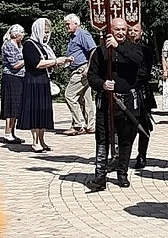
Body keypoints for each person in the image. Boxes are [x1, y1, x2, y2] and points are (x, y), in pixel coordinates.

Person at [84, 16, 146, 192]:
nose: (120, 32)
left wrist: (119, 48)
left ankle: (122, 173)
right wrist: (102, 84)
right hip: (107, 101)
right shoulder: (101, 52)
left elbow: (137, 61)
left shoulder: (133, 48)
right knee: (103, 138)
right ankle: (100, 175)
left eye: (123, 29)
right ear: (110, 30)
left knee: (126, 139)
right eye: (117, 29)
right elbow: (92, 75)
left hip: (127, 101)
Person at [19, 18, 59, 151]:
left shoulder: (43, 46)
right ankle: (35, 140)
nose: (46, 35)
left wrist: (59, 63)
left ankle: (42, 140)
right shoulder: (29, 44)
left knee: (43, 110)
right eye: (44, 32)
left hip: (43, 80)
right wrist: (55, 61)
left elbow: (48, 63)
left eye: (48, 32)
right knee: (35, 110)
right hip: (33, 81)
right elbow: (38, 63)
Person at [60, 14, 96, 135]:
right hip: (78, 69)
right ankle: (90, 125)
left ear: (76, 23)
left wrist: (88, 68)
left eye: (68, 24)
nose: (66, 26)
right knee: (85, 99)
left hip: (81, 70)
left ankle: (77, 125)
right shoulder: (73, 37)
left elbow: (93, 50)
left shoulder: (83, 34)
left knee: (69, 95)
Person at [128, 18, 155, 169]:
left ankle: (142, 155)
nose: (132, 33)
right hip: (125, 91)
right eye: (130, 30)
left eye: (135, 30)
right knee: (126, 126)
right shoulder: (120, 47)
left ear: (141, 32)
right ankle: (122, 156)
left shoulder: (146, 51)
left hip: (141, 91)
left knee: (143, 125)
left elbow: (145, 72)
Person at [0, 24, 26, 141]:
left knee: (16, 106)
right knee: (11, 105)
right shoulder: (9, 45)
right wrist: (28, 59)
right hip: (11, 77)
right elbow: (15, 65)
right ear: (15, 34)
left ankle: (13, 133)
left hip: (20, 77)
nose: (23, 35)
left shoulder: (19, 45)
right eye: (22, 32)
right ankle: (7, 133)